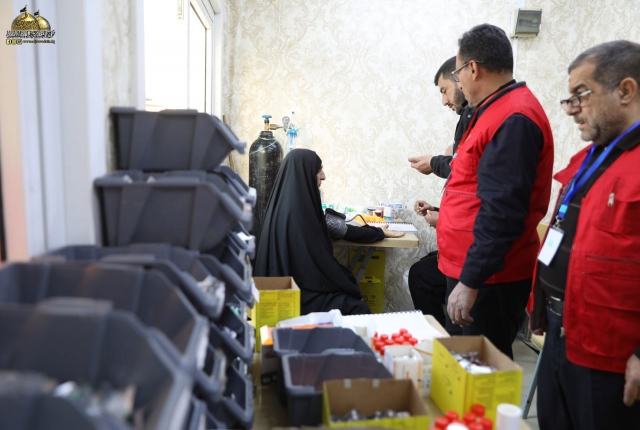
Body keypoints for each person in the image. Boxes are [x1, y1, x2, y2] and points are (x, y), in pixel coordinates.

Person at [528, 40, 640, 429]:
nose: (571, 108)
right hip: (561, 332)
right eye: (570, 97)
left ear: (625, 91)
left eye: (582, 95)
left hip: (611, 353)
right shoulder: (589, 158)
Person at [437, 23, 554, 359]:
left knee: (481, 372)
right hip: (470, 268)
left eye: (457, 74)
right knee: (461, 368)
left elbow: (502, 211)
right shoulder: (492, 111)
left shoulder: (514, 117)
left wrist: (471, 280)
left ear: (472, 68)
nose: (459, 83)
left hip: (489, 277)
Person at [254, 148, 404, 315]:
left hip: (287, 289)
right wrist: (351, 285)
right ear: (305, 174)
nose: (323, 176)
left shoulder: (286, 205)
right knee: (357, 307)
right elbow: (318, 270)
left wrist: (378, 232)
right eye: (318, 170)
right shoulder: (299, 214)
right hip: (294, 299)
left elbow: (339, 229)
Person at [408, 56, 475, 178]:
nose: (444, 101)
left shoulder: (472, 112)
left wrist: (433, 163)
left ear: (459, 79)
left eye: (444, 91)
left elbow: (465, 169)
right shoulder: (469, 112)